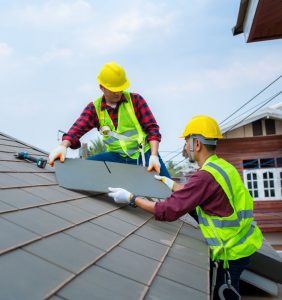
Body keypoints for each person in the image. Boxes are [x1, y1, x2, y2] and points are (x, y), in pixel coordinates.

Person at [107, 115, 263, 300]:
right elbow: (194, 194)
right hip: (242, 243)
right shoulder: (222, 167)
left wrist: (132, 198)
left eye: (186, 142)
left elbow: (168, 210)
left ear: (197, 144)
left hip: (230, 253)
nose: (185, 147)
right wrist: (170, 183)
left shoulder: (205, 176)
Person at [49, 61, 170, 177]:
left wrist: (154, 156)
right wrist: (63, 146)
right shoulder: (94, 109)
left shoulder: (135, 100)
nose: (118, 93)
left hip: (144, 155)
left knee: (168, 190)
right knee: (83, 169)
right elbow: (76, 130)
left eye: (120, 89)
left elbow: (152, 129)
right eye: (114, 90)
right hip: (116, 157)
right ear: (102, 87)